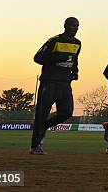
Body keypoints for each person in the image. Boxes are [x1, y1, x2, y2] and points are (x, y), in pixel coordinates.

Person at [30, 17, 81, 155]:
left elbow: (75, 60)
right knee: (42, 113)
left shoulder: (77, 43)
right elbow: (37, 58)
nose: (75, 28)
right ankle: (35, 146)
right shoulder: (55, 40)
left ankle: (45, 126)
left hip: (65, 83)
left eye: (77, 26)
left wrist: (75, 72)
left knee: (67, 112)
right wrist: (57, 58)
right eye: (72, 26)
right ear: (65, 26)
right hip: (49, 81)